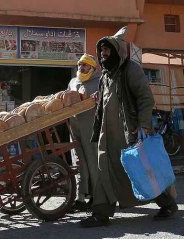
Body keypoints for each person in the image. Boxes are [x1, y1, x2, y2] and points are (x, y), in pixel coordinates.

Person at [80, 27, 178, 227]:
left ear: (117, 51)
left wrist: (144, 125)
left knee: (139, 171)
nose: (103, 54)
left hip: (128, 133)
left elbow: (145, 97)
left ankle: (167, 203)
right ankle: (101, 213)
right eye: (101, 51)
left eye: (107, 50)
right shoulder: (106, 75)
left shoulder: (130, 70)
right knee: (103, 170)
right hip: (106, 136)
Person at [67, 54, 100, 212]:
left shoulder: (99, 82)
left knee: (92, 161)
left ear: (92, 68)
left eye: (85, 65)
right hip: (74, 127)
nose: (81, 67)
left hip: (91, 128)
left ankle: (97, 197)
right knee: (78, 162)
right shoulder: (73, 82)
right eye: (80, 64)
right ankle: (80, 198)